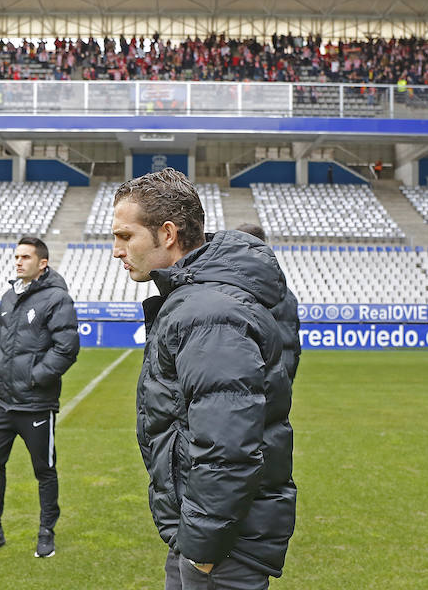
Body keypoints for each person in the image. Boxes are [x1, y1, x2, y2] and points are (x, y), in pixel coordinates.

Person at [111, 168, 296, 589]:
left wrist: (203, 550)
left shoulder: (209, 312)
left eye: (125, 236)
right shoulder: (196, 300)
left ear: (168, 233)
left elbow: (227, 445)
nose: (116, 250)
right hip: (204, 531)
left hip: (221, 546)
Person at [0, 237, 80, 559]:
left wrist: (34, 378)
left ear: (43, 263)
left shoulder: (57, 299)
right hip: (2, 402)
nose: (18, 261)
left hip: (35, 404)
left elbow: (66, 348)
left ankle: (46, 532)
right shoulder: (9, 296)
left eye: (25, 256)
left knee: (44, 470)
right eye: (16, 256)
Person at [235, 223, 301, 381]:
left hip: (253, 381)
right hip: (281, 379)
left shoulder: (242, 287)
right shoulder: (287, 294)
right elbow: (293, 345)